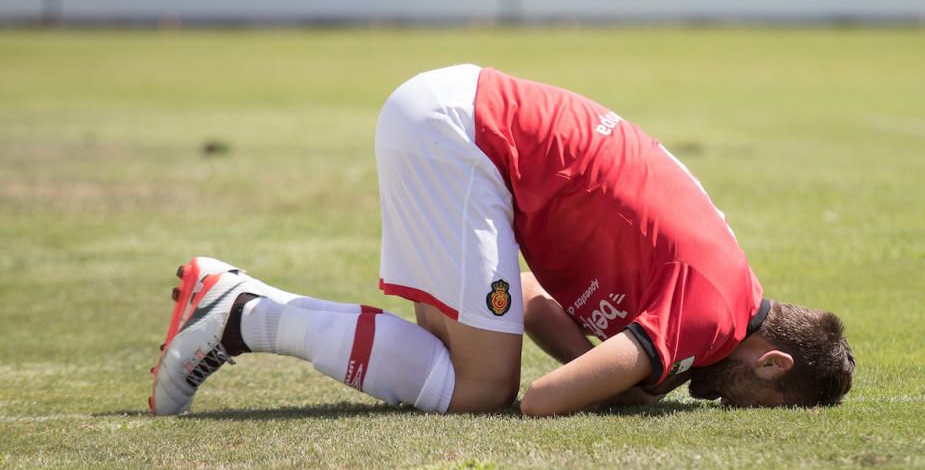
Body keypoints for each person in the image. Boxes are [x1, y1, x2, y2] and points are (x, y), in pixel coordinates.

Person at [150, 65, 854, 417]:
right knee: (484, 390)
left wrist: (617, 376)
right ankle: (238, 314)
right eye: (761, 404)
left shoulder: (724, 285)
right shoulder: (714, 313)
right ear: (772, 364)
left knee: (454, 366)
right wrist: (617, 384)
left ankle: (240, 313)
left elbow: (530, 299)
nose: (725, 407)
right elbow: (541, 401)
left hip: (456, 117)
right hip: (464, 137)